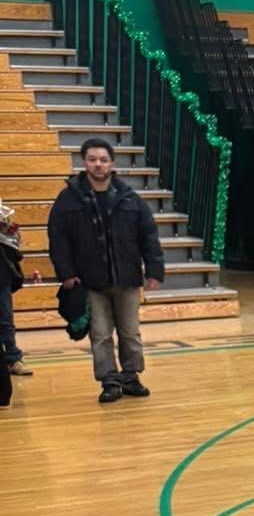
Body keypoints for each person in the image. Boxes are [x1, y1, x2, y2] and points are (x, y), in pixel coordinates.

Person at [46, 138, 164, 403]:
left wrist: (154, 269)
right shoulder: (68, 200)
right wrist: (66, 273)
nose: (98, 164)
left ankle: (131, 376)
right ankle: (109, 380)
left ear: (112, 163)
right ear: (84, 163)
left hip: (127, 279)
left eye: (103, 159)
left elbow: (148, 236)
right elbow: (58, 238)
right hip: (90, 281)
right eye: (92, 159)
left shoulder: (130, 199)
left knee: (130, 333)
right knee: (99, 334)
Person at [0, 195, 28, 384]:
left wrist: (7, 231)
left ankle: (13, 359)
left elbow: (16, 245)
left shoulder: (4, 212)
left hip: (1, 274)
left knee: (5, 318)